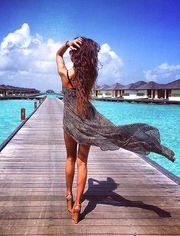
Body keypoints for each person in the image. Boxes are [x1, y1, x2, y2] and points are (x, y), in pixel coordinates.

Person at [56, 36, 175, 224]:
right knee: (82, 162)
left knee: (70, 158)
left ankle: (68, 196)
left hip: (69, 122)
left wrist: (67, 43)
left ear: (74, 54)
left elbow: (58, 54)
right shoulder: (90, 75)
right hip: (86, 121)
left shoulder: (64, 74)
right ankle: (78, 206)